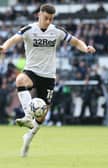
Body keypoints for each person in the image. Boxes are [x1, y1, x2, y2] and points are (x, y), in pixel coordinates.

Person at [0, 3, 96, 157]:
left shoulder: (56, 31)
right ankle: (27, 116)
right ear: (39, 14)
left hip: (48, 76)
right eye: (46, 18)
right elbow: (13, 39)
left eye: (51, 19)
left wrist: (85, 48)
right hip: (32, 71)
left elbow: (75, 41)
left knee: (42, 117)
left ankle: (28, 138)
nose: (49, 21)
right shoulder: (29, 30)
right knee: (20, 80)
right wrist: (4, 47)